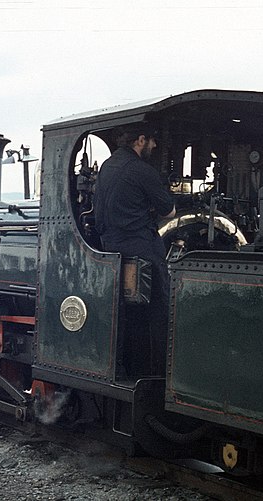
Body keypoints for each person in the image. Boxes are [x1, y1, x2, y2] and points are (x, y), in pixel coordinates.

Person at [94, 124, 175, 377]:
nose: (154, 146)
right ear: (140, 140)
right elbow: (169, 212)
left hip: (110, 247)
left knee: (126, 313)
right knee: (163, 303)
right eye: (152, 141)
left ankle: (127, 364)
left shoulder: (107, 167)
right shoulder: (142, 171)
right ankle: (161, 371)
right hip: (140, 247)